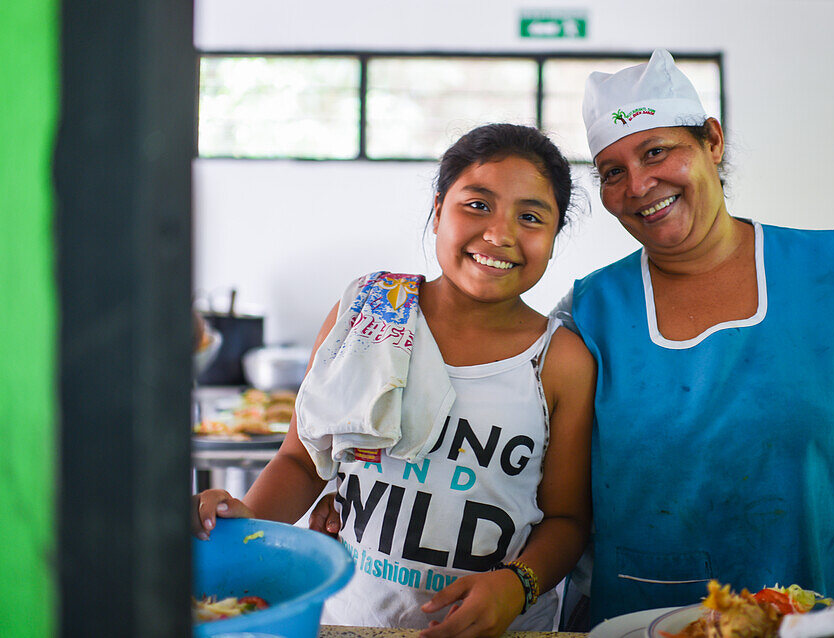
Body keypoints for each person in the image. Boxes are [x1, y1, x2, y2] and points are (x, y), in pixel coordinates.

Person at [548, 49, 834, 624]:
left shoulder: (828, 277)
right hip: (636, 618)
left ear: (712, 141)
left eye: (657, 151)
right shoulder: (589, 315)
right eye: (612, 172)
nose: (638, 185)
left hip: (806, 616)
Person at [192, 124, 596, 638]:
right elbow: (301, 460)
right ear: (436, 210)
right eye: (477, 205)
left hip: (503, 629)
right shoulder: (367, 311)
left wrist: (517, 585)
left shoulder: (560, 359)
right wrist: (245, 519)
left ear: (555, 237)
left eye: (531, 217)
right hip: (353, 620)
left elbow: (567, 520)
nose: (501, 234)